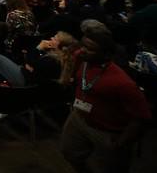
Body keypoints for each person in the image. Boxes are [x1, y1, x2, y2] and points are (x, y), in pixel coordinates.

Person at [60, 21, 151, 173]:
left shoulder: (122, 82)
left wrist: (121, 143)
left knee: (112, 167)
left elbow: (142, 118)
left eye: (89, 49)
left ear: (106, 55)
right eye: (82, 45)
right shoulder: (84, 60)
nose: (81, 51)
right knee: (69, 152)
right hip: (79, 118)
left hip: (107, 131)